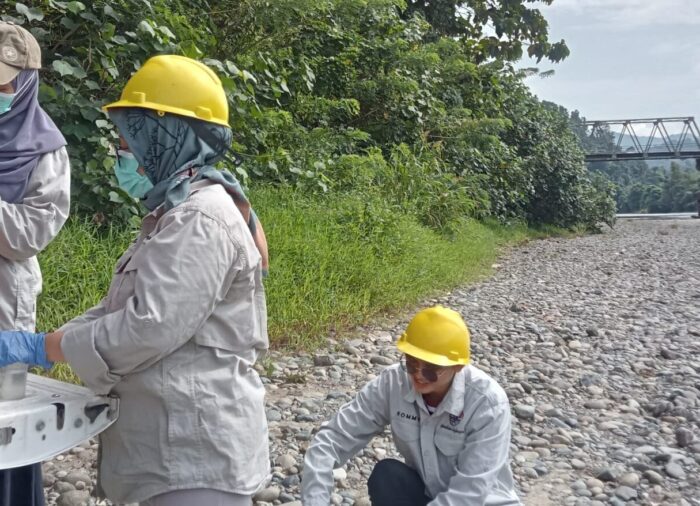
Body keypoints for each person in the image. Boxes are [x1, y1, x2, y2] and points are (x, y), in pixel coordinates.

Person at [0, 55, 270, 505]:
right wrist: (50, 339)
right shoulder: (176, 213)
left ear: (166, 136)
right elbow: (118, 311)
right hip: (168, 448)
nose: (122, 153)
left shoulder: (201, 219)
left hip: (192, 455)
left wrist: (42, 347)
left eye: (129, 140)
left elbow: (146, 326)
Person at [302, 306, 522, 506]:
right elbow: (330, 441)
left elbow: (469, 494)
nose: (418, 375)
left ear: (457, 367)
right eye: (411, 363)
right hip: (431, 496)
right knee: (387, 476)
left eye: (430, 369)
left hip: (480, 503)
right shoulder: (392, 383)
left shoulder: (487, 403)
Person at [0, 21, 70, 506]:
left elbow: (31, 233)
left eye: (4, 80)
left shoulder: (45, 149)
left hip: (5, 299)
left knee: (6, 426)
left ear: (27, 81)